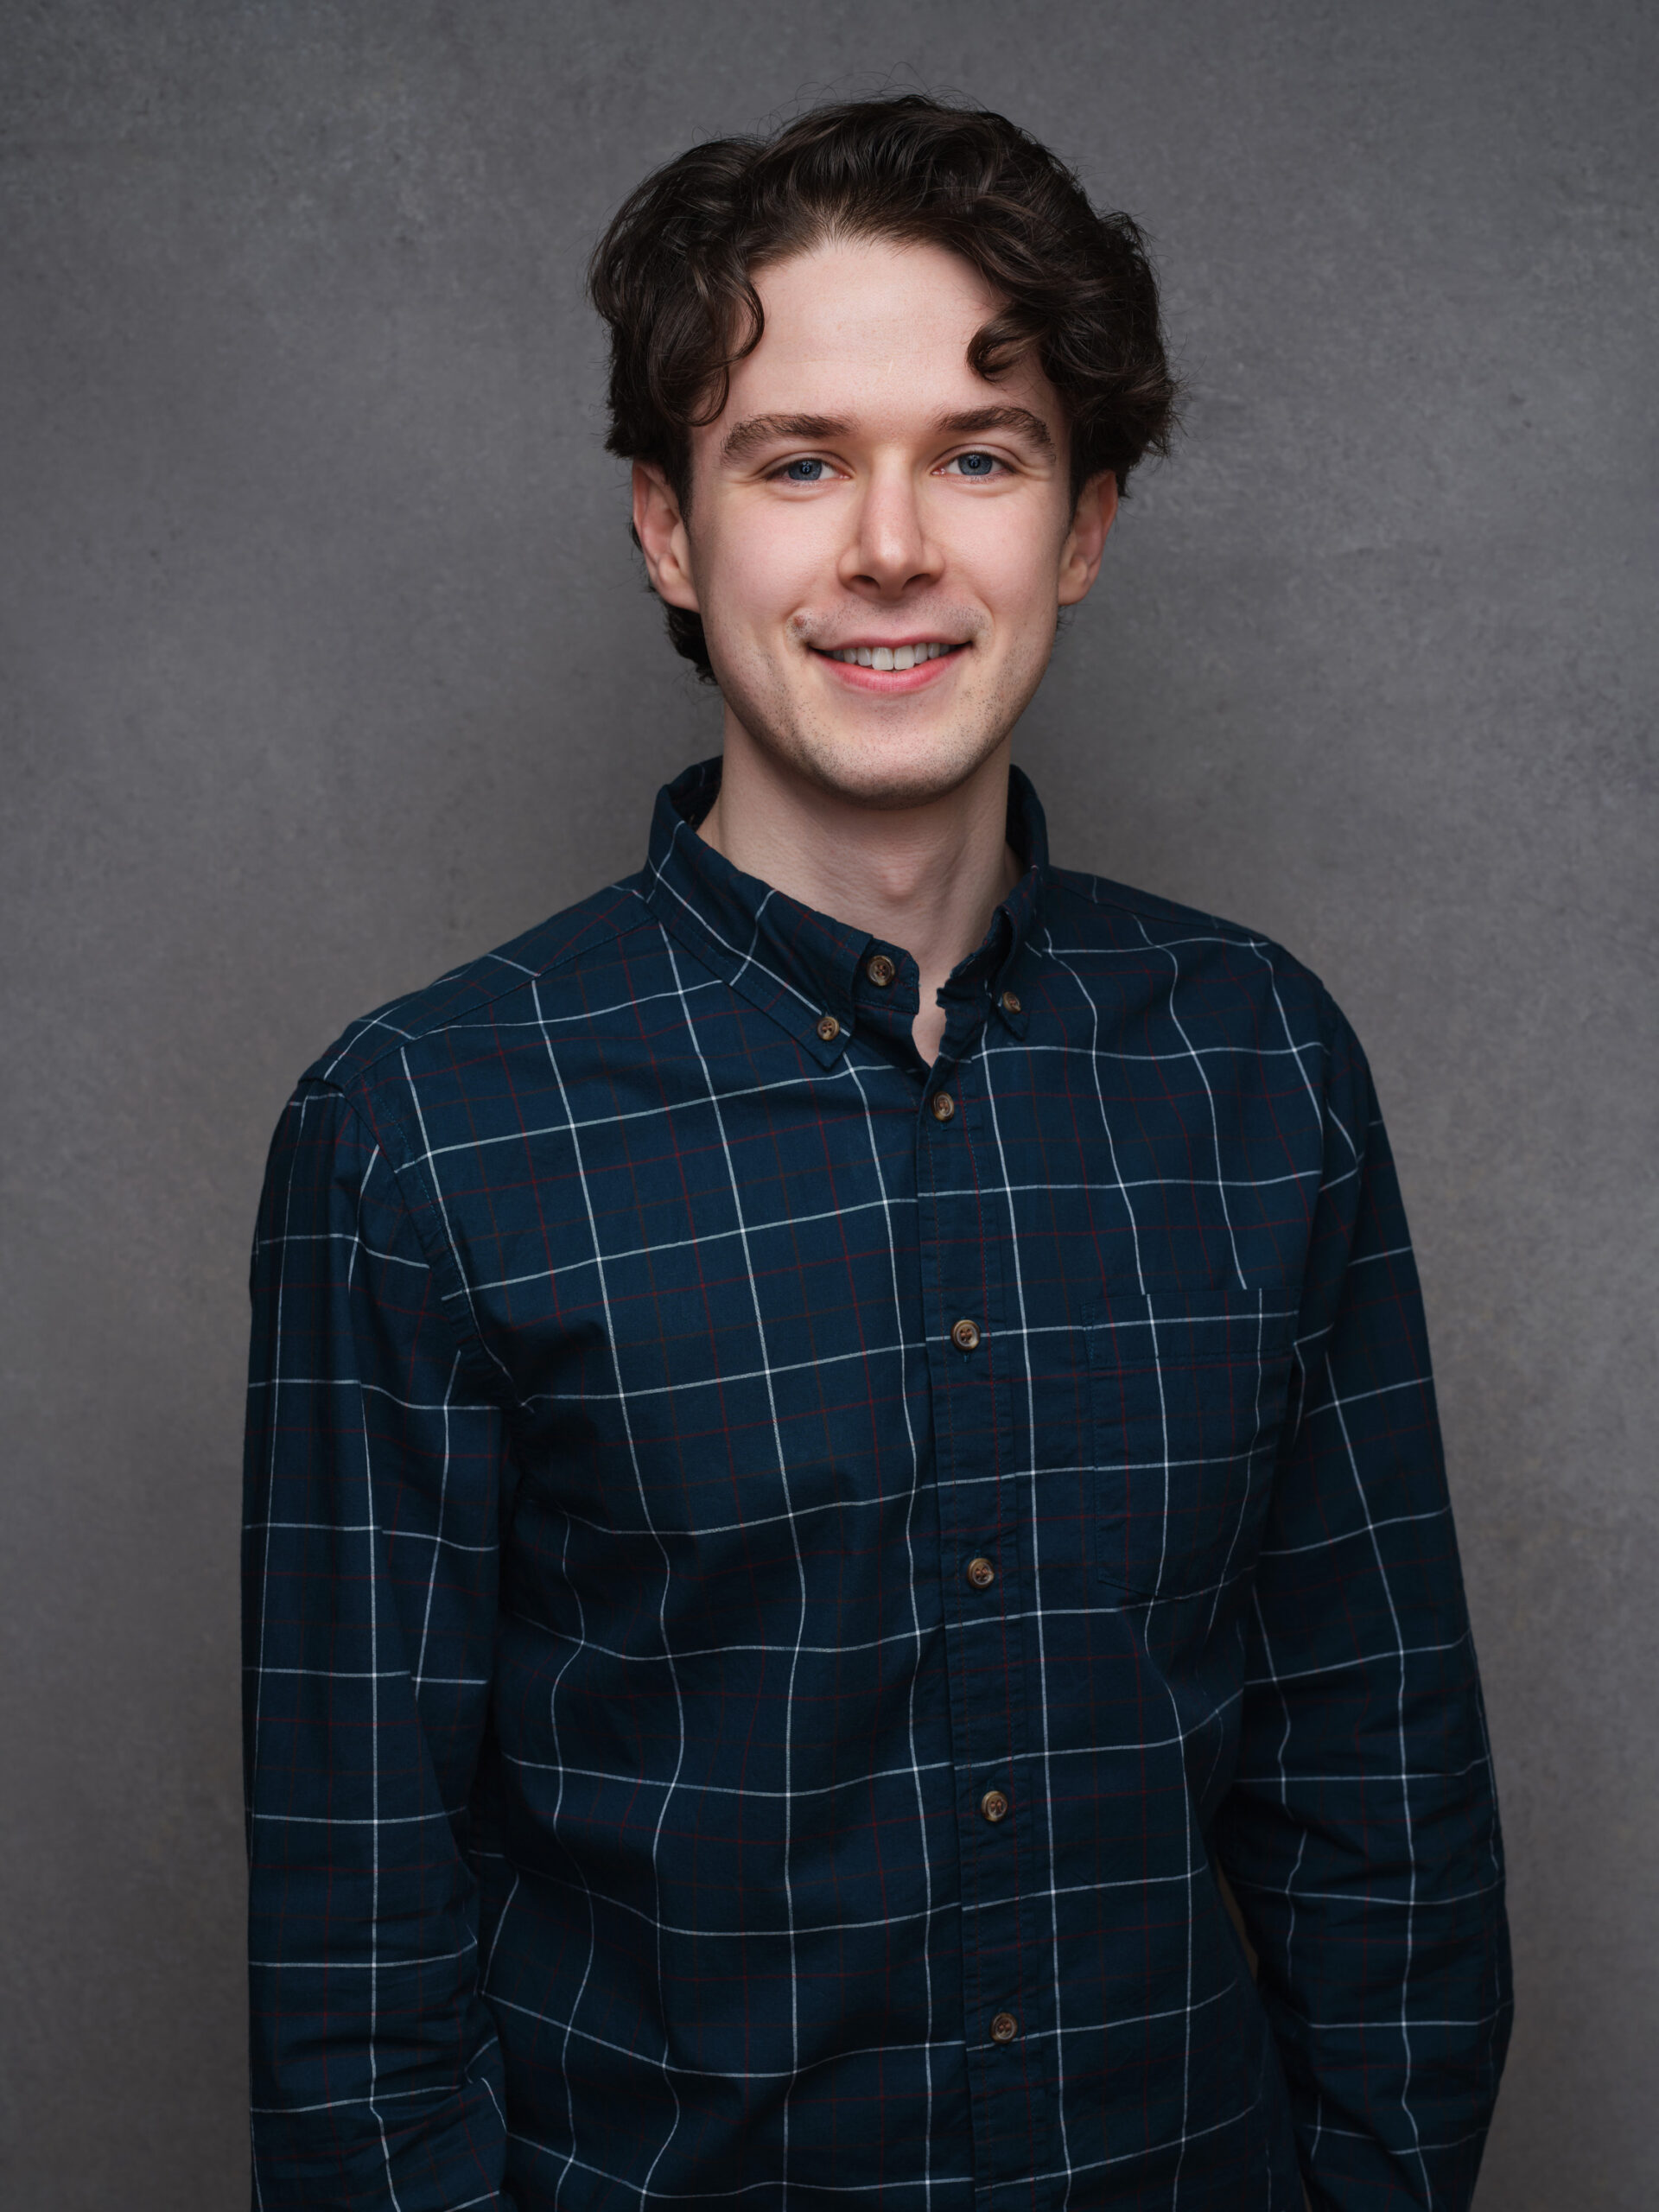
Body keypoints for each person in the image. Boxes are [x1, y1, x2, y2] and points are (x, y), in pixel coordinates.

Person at [243, 94, 1510, 2212]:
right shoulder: (422, 1129)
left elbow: (1382, 1795)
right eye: (800, 459)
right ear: (670, 529)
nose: (894, 547)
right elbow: (354, 1966)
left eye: (981, 456)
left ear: (1082, 526)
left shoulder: (1263, 1067)